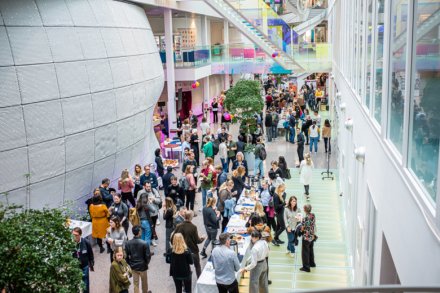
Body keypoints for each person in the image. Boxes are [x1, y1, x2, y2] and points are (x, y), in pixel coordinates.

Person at [173, 210, 206, 278]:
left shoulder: (179, 226)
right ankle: (199, 279)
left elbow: (174, 237)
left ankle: (184, 283)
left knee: (185, 266)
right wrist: (202, 238)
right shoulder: (193, 227)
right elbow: (197, 241)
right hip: (193, 250)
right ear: (191, 217)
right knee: (197, 266)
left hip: (182, 250)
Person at [125, 226, 152, 293]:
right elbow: (148, 256)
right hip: (142, 266)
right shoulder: (144, 243)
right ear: (139, 232)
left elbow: (126, 256)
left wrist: (130, 263)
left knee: (136, 284)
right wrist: (146, 263)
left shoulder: (128, 243)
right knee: (144, 283)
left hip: (133, 266)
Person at [137, 182, 161, 247]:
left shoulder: (154, 190)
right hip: (146, 216)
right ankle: (147, 246)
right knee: (147, 231)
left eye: (149, 186)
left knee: (152, 228)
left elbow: (159, 201)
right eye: (147, 186)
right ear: (144, 186)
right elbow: (138, 202)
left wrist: (153, 199)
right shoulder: (140, 192)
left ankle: (151, 240)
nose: (148, 188)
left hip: (153, 215)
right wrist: (147, 203)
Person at [72, 227, 94, 293]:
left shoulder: (86, 242)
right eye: (73, 235)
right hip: (75, 267)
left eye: (76, 235)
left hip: (85, 266)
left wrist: (91, 264)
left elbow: (90, 254)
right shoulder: (70, 244)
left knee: (85, 284)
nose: (74, 237)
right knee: (75, 284)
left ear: (80, 235)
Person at [300, 204, 316, 272]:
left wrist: (300, 229)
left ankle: (306, 267)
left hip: (306, 237)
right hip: (312, 236)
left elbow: (303, 228)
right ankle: (312, 263)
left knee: (305, 252)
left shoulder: (305, 218)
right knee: (311, 250)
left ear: (304, 210)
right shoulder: (313, 215)